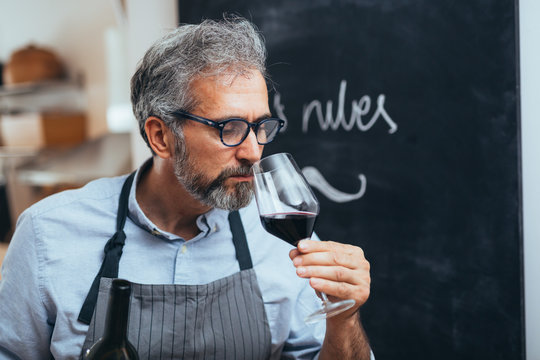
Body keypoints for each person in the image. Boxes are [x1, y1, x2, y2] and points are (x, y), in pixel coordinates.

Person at [0, 16, 373, 359]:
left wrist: (344, 318)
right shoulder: (47, 234)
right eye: (229, 128)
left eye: (261, 126)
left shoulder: (277, 238)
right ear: (161, 136)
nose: (254, 151)